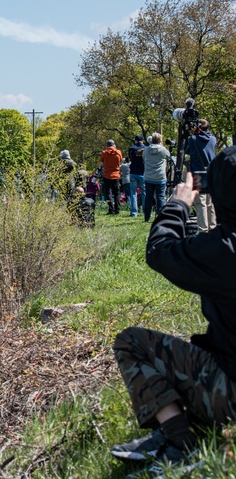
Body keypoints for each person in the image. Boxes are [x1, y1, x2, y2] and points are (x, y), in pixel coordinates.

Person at [110, 146, 236, 471]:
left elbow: (161, 251)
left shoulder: (222, 251)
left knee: (132, 341)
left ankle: (181, 442)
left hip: (230, 397)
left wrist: (179, 203)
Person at [186, 119, 217, 232]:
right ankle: (213, 227)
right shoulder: (213, 139)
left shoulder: (192, 139)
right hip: (211, 172)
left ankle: (203, 229)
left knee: (200, 203)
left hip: (198, 173)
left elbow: (187, 151)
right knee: (211, 203)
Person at [143, 133, 171, 222]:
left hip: (148, 177)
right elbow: (169, 156)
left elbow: (143, 157)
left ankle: (147, 217)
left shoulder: (146, 150)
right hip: (160, 177)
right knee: (160, 197)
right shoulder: (163, 150)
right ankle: (160, 217)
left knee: (148, 198)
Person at [101, 139, 123, 215]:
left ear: (107, 146)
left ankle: (111, 209)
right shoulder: (118, 152)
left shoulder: (104, 153)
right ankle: (117, 209)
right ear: (114, 145)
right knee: (117, 193)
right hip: (116, 175)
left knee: (109, 193)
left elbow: (102, 160)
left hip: (107, 175)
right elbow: (120, 160)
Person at [128, 135, 146, 217]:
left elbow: (130, 158)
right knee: (144, 193)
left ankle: (134, 212)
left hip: (133, 172)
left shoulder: (131, 149)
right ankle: (146, 211)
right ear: (143, 140)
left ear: (135, 140)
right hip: (143, 172)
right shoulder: (146, 148)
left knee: (133, 193)